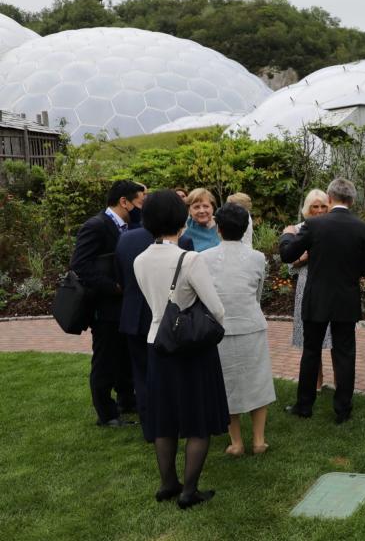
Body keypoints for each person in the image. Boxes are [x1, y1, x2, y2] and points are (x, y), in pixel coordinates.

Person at [134, 189, 229, 509]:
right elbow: (216, 310)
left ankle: (167, 483)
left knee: (165, 417)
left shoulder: (139, 259)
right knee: (197, 419)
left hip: (156, 343)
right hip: (190, 346)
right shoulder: (190, 258)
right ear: (181, 217)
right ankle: (189, 491)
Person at [279, 178, 365, 424]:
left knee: (311, 352)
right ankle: (343, 409)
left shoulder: (314, 225)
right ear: (351, 200)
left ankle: (304, 406)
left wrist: (287, 235)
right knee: (345, 353)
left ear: (329, 199)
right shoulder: (362, 227)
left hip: (317, 297)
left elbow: (288, 253)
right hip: (346, 299)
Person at [202, 203, 276, 456]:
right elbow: (257, 293)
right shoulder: (257, 257)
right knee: (257, 382)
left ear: (218, 228)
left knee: (227, 384)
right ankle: (258, 440)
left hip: (220, 328)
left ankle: (237, 443)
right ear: (246, 227)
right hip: (250, 325)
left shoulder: (204, 258)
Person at [70, 179, 144, 427]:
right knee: (105, 359)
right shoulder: (96, 225)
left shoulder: (130, 226)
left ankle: (127, 400)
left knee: (124, 355)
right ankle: (107, 413)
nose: (142, 208)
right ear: (124, 202)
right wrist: (113, 287)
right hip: (105, 306)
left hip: (124, 305)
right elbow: (80, 265)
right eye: (139, 202)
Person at [288, 189, 334, 389]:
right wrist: (305, 257)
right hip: (307, 286)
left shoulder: (335, 227)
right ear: (308, 208)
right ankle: (317, 382)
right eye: (315, 206)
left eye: (323, 206)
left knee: (335, 336)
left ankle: (340, 383)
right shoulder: (299, 229)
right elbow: (290, 263)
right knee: (311, 339)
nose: (319, 210)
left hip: (332, 286)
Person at [115, 220, 156, 437]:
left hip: (133, 316)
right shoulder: (183, 241)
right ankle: (173, 422)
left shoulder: (125, 238)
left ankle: (149, 427)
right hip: (165, 318)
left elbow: (120, 277)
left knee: (141, 375)